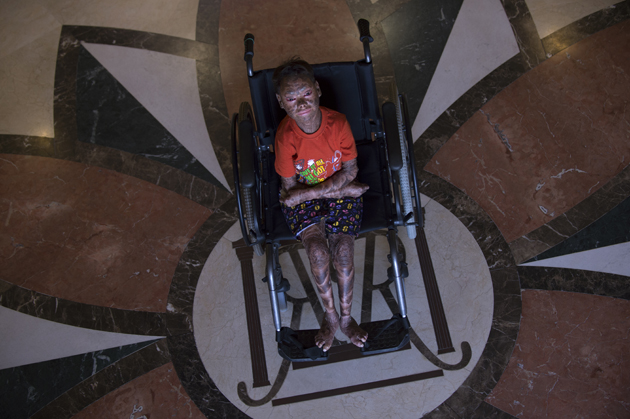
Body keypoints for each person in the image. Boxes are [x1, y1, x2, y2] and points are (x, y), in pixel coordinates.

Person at [273, 58, 369, 352]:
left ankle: (346, 318)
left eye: (306, 94)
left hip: (317, 194)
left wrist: (307, 195)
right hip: (335, 192)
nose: (301, 104)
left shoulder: (337, 123)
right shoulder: (285, 137)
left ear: (317, 90)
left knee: (342, 252)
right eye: (291, 98)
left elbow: (351, 171)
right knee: (316, 252)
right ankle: (329, 317)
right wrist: (339, 191)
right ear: (281, 102)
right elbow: (290, 188)